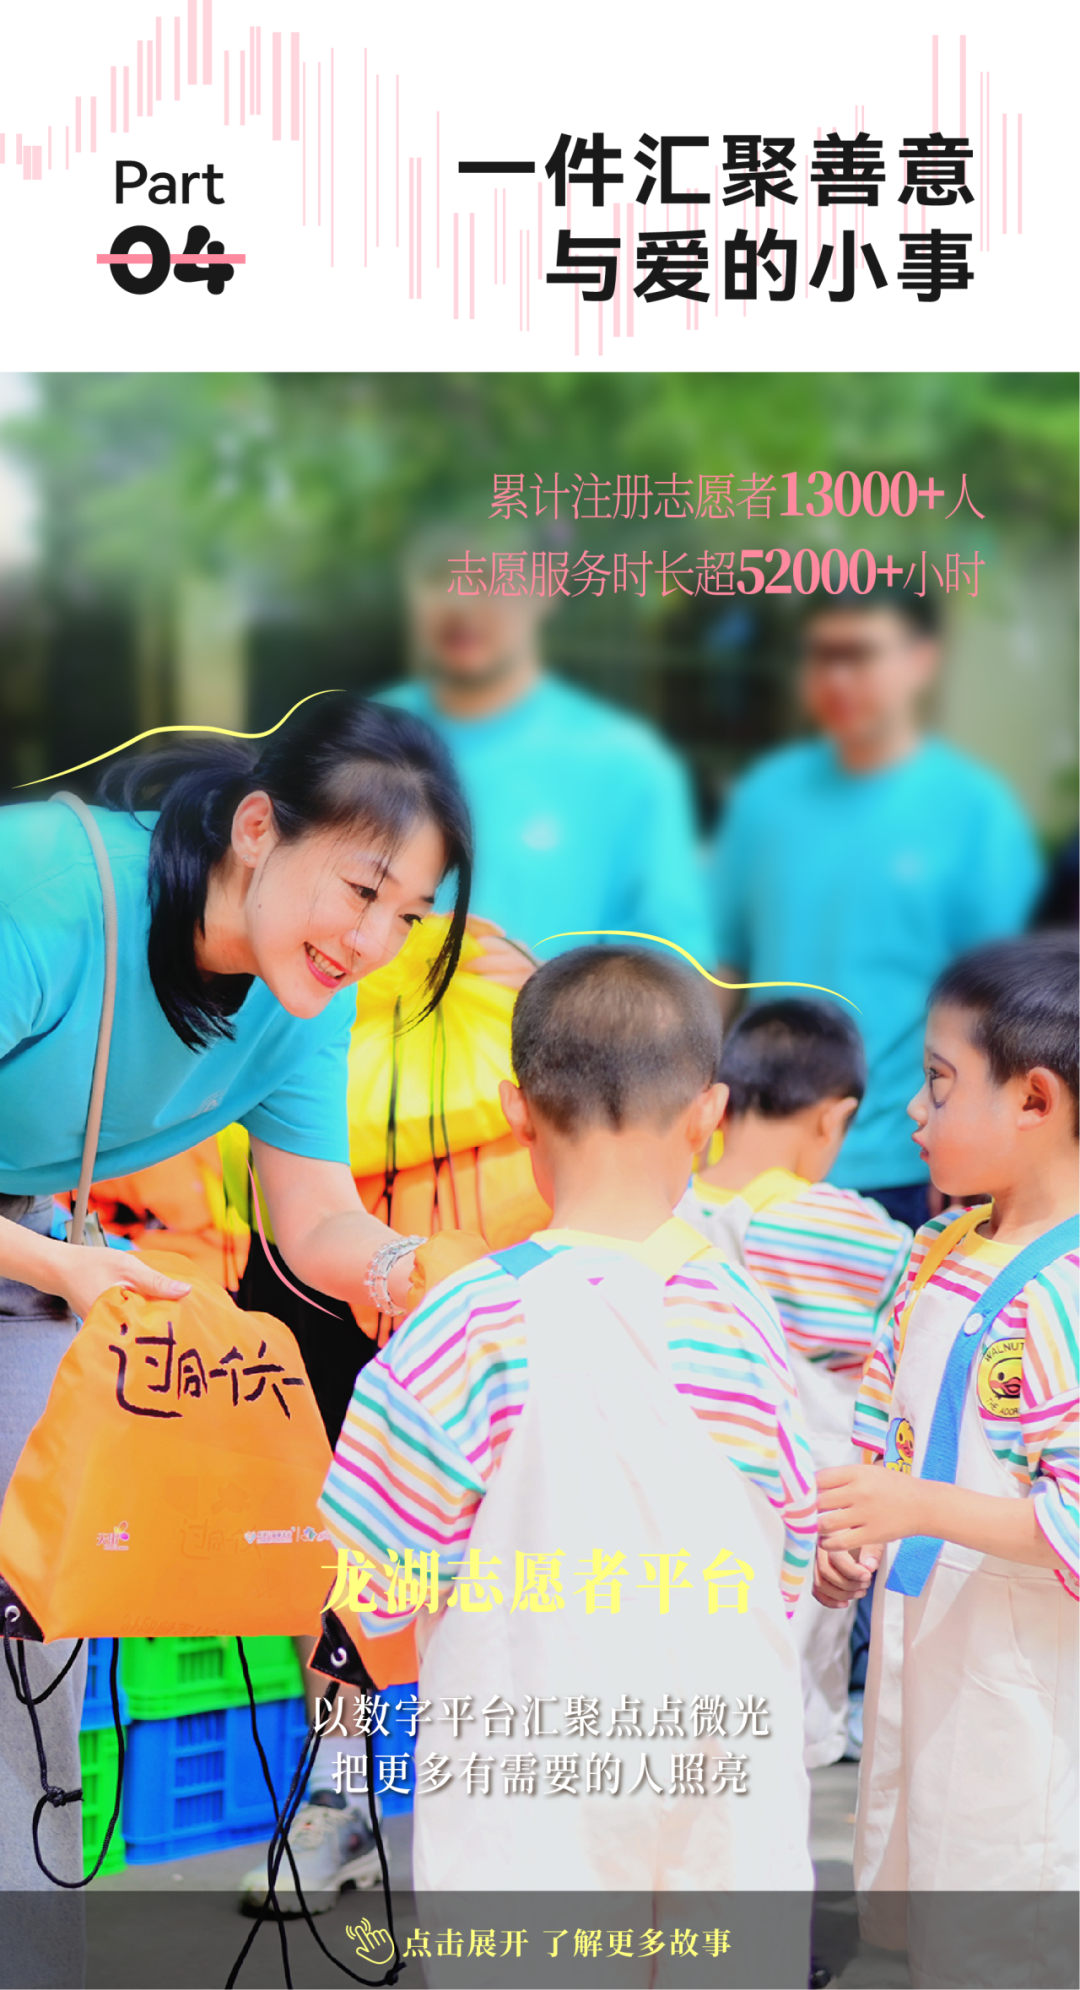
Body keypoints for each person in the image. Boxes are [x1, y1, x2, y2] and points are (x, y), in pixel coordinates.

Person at [0, 694, 470, 1943]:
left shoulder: (304, 994)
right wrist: (60, 1267)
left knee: (36, 1623)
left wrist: (418, 1272)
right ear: (258, 827)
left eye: (408, 914)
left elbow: (314, 1220)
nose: (371, 940)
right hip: (40, 1254)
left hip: (32, 1249)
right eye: (360, 889)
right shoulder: (41, 892)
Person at [320, 947, 816, 1912]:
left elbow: (373, 1573)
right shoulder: (741, 1312)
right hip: (727, 1772)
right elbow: (789, 1552)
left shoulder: (465, 1319)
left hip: (531, 1791)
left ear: (515, 1108)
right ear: (709, 1114)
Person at [815, 936, 1078, 1987]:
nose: (913, 1113)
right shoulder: (931, 1249)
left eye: (937, 1081)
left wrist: (914, 1506)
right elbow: (883, 1414)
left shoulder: (1068, 1293)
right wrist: (856, 1528)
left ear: (1035, 1099)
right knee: (916, 1887)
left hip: (1022, 1688)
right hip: (920, 1655)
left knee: (1003, 1922)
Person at [710, 586, 1044, 1232]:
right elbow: (722, 966)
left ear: (921, 660)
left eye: (860, 655)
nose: (837, 677)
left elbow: (1010, 1006)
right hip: (749, 1165)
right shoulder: (765, 798)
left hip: (907, 1166)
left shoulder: (976, 812)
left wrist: (981, 1158)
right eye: (821, 656)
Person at [676, 1000, 911, 1769]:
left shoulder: (667, 1207)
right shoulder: (851, 1231)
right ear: (833, 1118)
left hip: (684, 1505)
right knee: (782, 1732)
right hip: (810, 1518)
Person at [378, 530, 714, 981]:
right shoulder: (351, 741)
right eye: (441, 574)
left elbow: (679, 983)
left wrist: (551, 989)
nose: (461, 600)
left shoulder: (628, 768)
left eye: (490, 576)